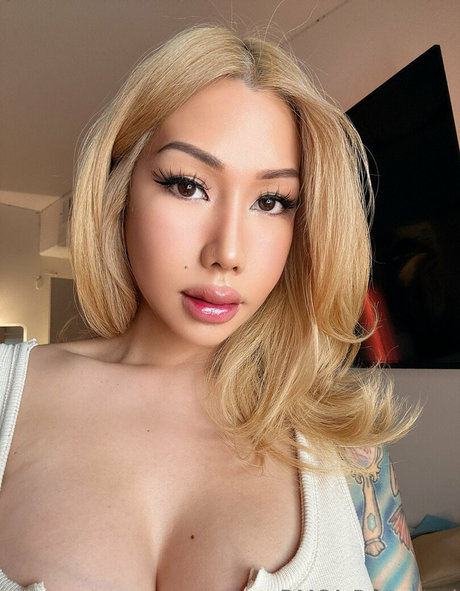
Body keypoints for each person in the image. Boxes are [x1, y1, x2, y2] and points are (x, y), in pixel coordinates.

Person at [0, 25, 421, 591]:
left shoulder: (348, 444)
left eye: (271, 201)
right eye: (187, 186)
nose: (227, 252)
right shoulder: (6, 393)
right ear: (120, 189)